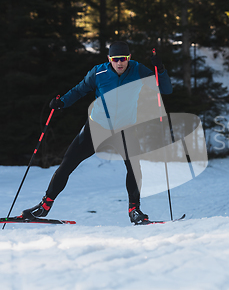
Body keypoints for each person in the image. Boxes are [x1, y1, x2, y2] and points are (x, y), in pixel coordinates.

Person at [21, 41, 173, 224]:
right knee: (68, 163)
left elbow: (165, 89)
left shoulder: (138, 70)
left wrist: (160, 68)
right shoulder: (98, 72)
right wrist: (62, 102)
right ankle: (44, 206)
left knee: (134, 168)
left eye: (123, 59)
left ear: (129, 58)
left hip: (125, 128)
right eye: (115, 59)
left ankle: (134, 210)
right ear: (109, 59)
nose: (119, 63)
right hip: (97, 127)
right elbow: (79, 90)